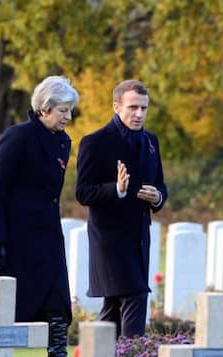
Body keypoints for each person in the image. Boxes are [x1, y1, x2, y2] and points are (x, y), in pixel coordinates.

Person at [0, 75, 78, 357]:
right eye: (63, 110)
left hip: (46, 237)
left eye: (71, 110)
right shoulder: (17, 137)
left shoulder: (62, 142)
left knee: (58, 303)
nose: (69, 117)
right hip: (12, 237)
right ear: (44, 109)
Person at [75, 80, 167, 337]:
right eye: (133, 107)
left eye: (144, 108)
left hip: (139, 238)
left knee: (114, 307)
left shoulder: (151, 141)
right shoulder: (95, 142)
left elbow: (160, 184)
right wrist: (116, 189)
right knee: (135, 294)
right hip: (109, 239)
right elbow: (83, 192)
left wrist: (157, 196)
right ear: (117, 107)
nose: (139, 114)